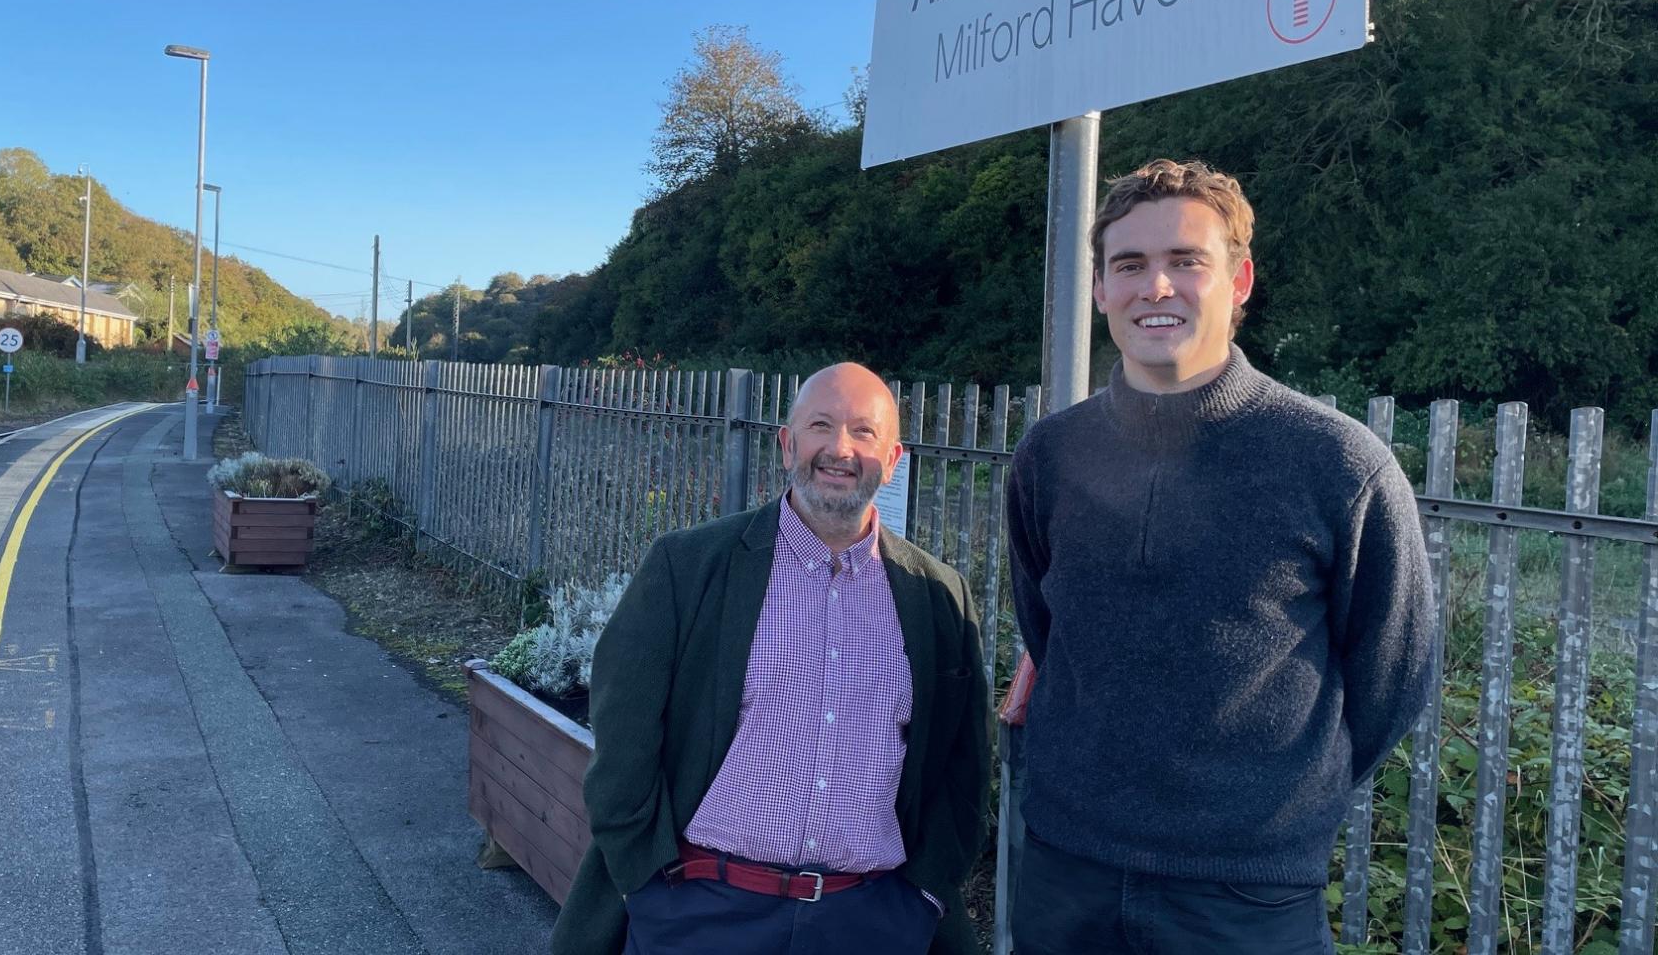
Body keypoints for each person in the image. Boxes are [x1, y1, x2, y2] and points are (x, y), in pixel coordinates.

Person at [1004, 158, 1437, 954]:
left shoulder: (1337, 462)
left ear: (1238, 281)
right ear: (1099, 289)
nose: (1155, 287)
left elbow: (1393, 675)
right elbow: (1047, 627)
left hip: (1246, 894)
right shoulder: (1049, 456)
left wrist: (1262, 808)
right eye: (1129, 265)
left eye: (1185, 262)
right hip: (1067, 874)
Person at [551, 362, 992, 955]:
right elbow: (623, 739)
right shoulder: (687, 567)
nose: (840, 449)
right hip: (702, 913)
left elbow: (965, 766)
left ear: (892, 460)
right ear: (787, 444)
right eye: (820, 425)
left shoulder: (937, 595)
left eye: (863, 432)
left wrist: (925, 896)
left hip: (872, 920)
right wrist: (646, 885)